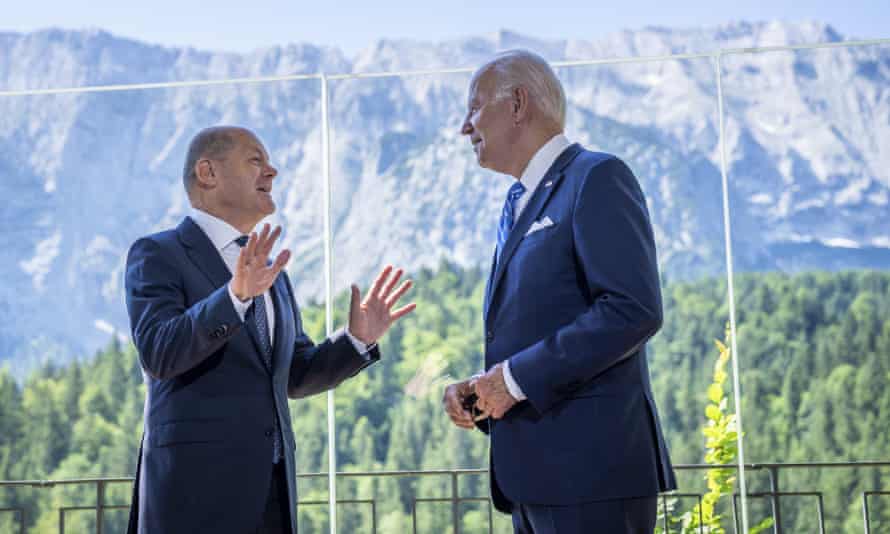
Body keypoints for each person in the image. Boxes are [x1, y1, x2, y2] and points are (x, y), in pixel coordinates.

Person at [124, 126, 415, 534]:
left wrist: (355, 341)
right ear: (207, 172)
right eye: (256, 160)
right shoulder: (158, 253)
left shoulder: (272, 272)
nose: (273, 171)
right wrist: (234, 297)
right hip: (193, 499)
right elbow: (159, 353)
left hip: (273, 496)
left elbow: (293, 374)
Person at [442, 50, 676, 533]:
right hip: (534, 481)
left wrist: (514, 379)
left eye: (474, 107)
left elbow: (632, 309)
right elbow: (539, 324)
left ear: (518, 103)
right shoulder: (517, 201)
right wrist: (487, 388)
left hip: (592, 479)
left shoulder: (596, 177)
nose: (466, 127)